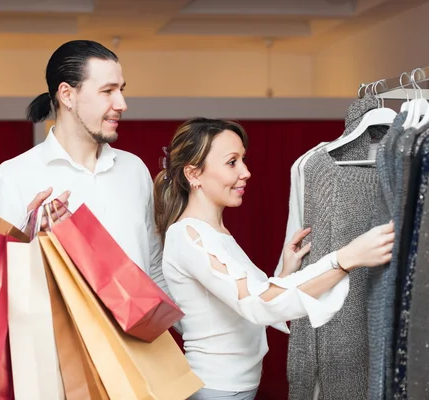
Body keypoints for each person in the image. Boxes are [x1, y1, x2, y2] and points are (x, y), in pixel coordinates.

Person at [153, 117, 395, 400]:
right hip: (216, 389)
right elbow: (257, 305)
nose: (246, 172)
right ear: (193, 174)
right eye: (232, 162)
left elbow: (244, 307)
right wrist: (344, 260)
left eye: (243, 159)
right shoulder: (189, 236)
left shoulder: (213, 234)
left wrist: (285, 272)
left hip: (231, 387)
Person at [0, 39, 163, 279]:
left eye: (121, 90)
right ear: (67, 94)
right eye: (107, 91)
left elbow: (155, 267)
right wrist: (26, 238)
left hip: (140, 318)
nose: (122, 104)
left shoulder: (134, 169)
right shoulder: (13, 177)